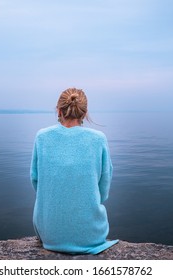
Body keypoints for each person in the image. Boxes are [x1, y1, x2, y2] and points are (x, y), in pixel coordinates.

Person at [30, 87, 118, 254]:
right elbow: (103, 189)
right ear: (84, 113)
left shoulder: (42, 137)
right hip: (90, 236)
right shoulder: (98, 139)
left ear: (58, 110)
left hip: (49, 235)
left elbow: (35, 181)